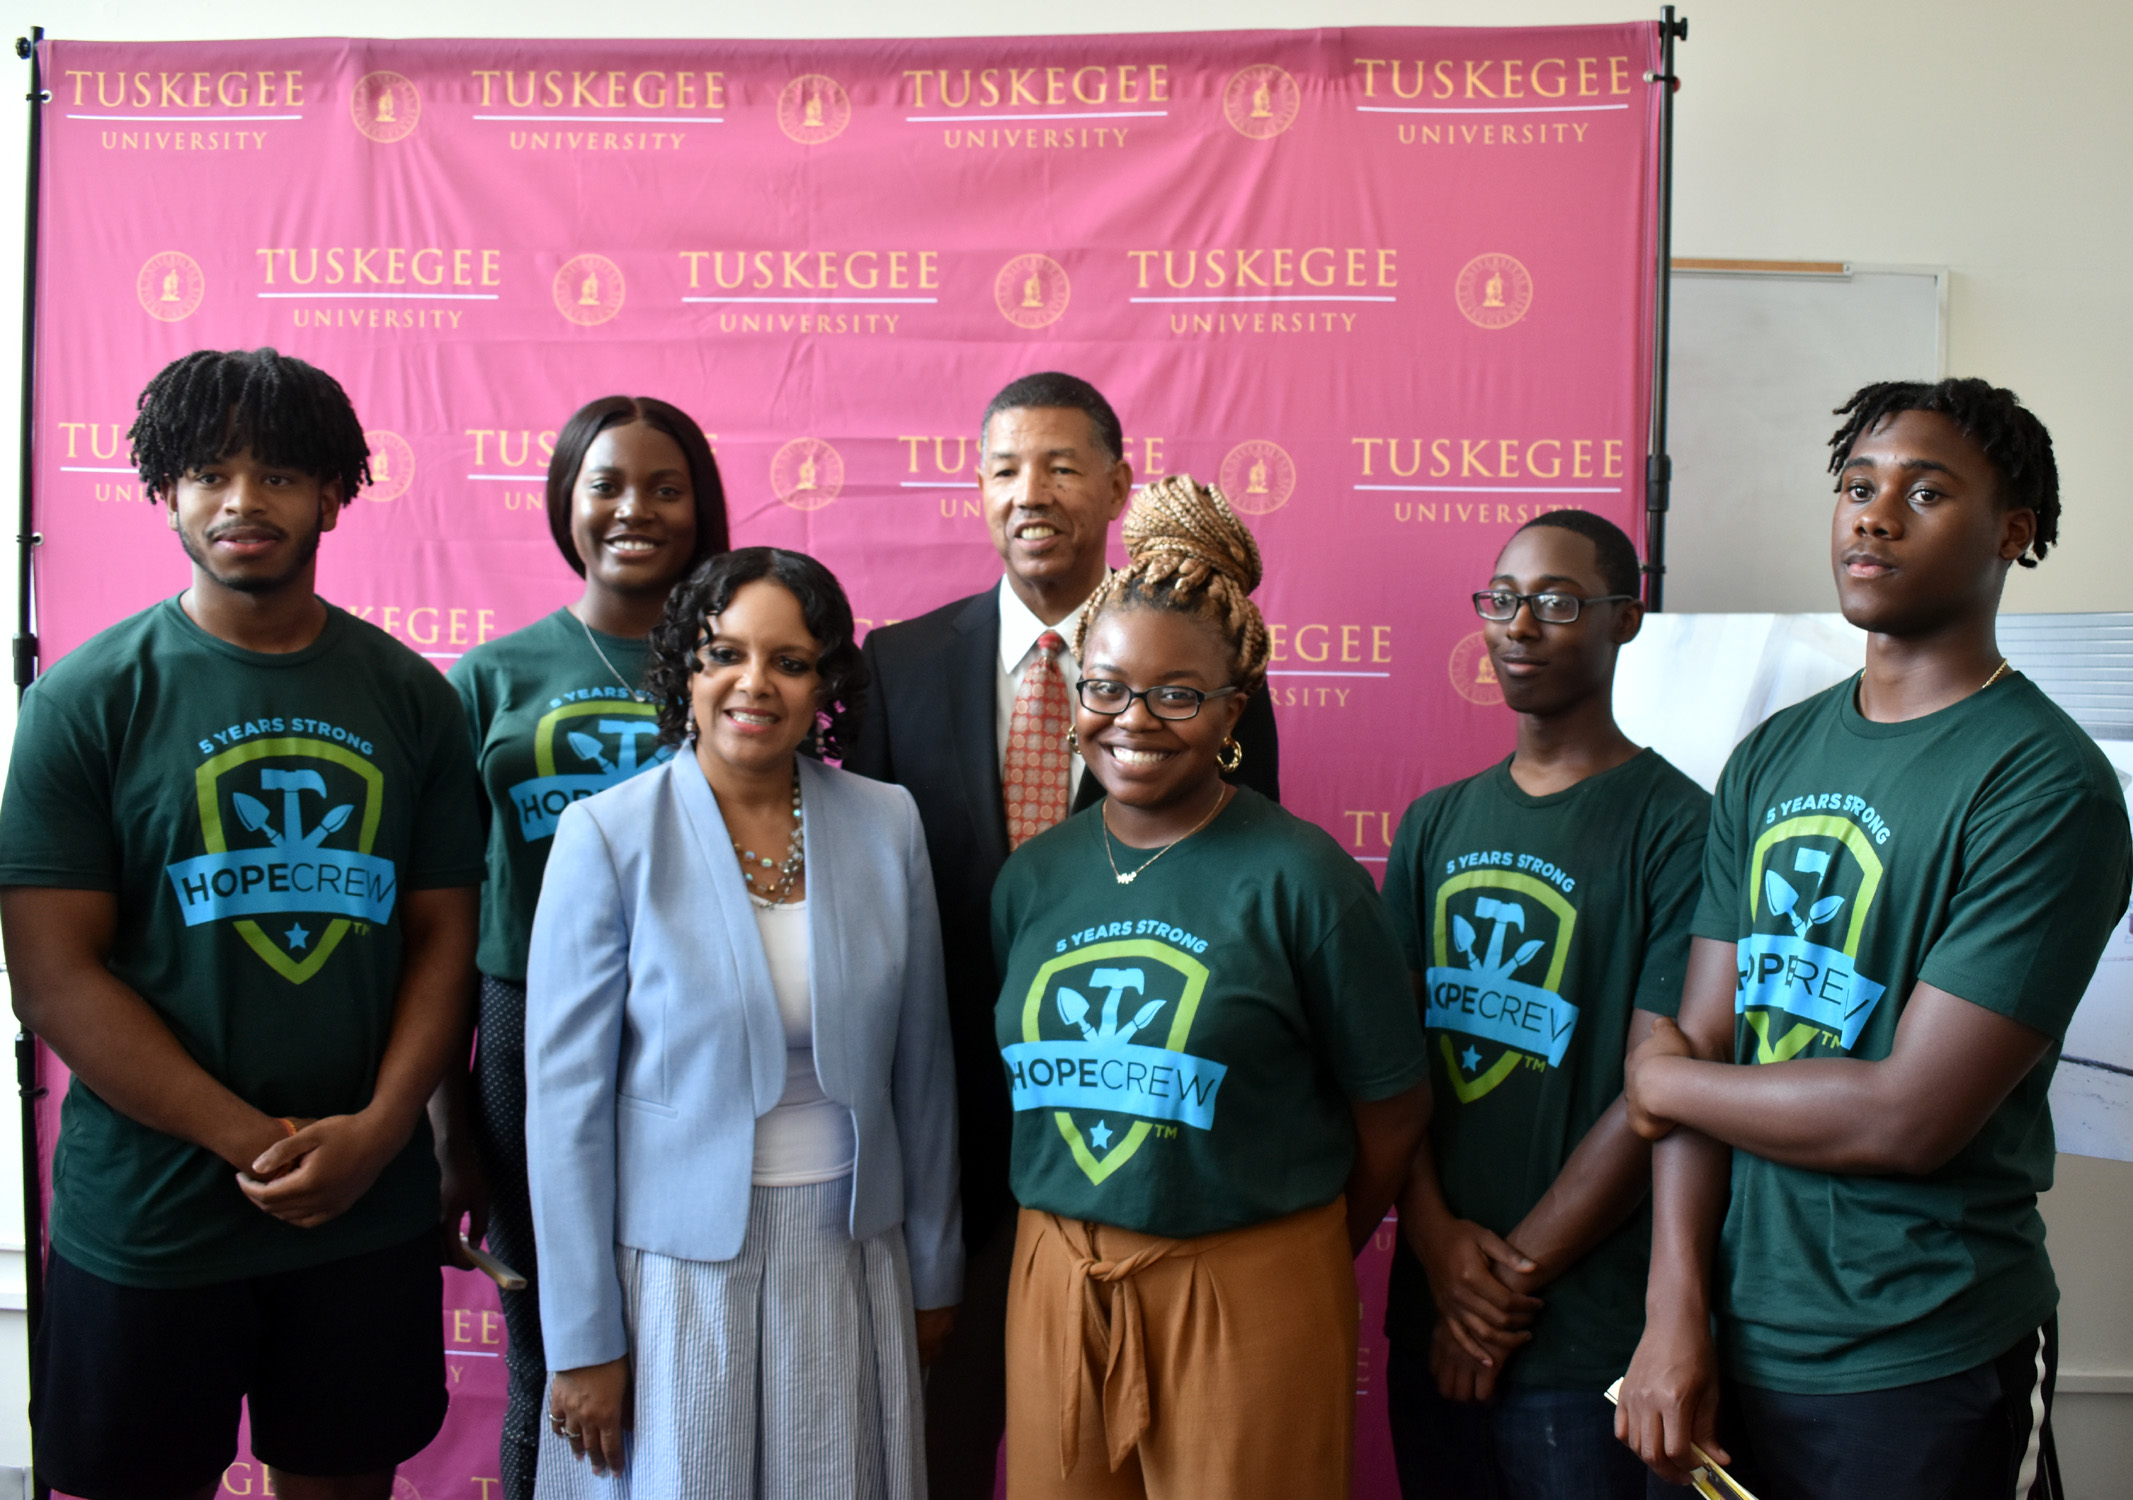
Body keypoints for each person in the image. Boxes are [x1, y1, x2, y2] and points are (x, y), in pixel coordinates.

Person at [1615, 379, 2132, 1500]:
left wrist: (1663, 1079)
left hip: (1922, 1353)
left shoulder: (2047, 787)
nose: (1874, 514)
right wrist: (1673, 1315)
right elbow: (1697, 1047)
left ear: (2015, 530)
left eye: (1926, 490)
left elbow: (1908, 1116)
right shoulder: (1770, 756)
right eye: (1857, 485)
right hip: (1727, 1335)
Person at [0, 347, 484, 1500]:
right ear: (164, 494)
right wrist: (247, 1139)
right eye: (209, 473)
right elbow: (55, 978)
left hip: (361, 1217)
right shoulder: (86, 698)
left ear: (332, 492)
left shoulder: (411, 695)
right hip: (152, 1218)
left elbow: (443, 940)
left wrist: (375, 1134)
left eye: (276, 474)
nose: (241, 503)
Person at [845, 371, 1280, 1498]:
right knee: (934, 1452)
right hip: (941, 1151)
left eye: (1060, 464)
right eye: (1002, 468)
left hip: (1133, 1156)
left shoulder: (1205, 667)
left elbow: (1231, 905)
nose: (1028, 491)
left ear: (1121, 484)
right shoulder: (894, 664)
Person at [990, 475, 1427, 1499]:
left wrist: (1287, 1248)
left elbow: (1395, 1112)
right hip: (1057, 1283)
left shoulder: (1302, 876)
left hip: (1245, 1286)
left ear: (1232, 708)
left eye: (1176, 694)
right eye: (1105, 687)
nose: (1132, 720)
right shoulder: (1032, 878)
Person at [525, 547, 962, 1497]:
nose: (753, 684)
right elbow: (564, 1115)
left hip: (852, 1256)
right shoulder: (607, 835)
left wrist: (933, 1271)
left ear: (825, 684)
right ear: (685, 665)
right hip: (674, 1277)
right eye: (723, 653)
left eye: (790, 661)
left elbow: (923, 1075)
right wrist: (584, 1337)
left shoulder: (887, 823)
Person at [1380, 510, 1709, 1500]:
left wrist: (1503, 1285)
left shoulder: (1681, 824)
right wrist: (1440, 1253)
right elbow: (1388, 1069)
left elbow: (1656, 1089)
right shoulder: (1436, 821)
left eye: (1559, 603)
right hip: (1433, 1309)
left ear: (1626, 621)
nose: (1520, 625)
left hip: (1576, 1332)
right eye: (1504, 600)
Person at [446, 394, 728, 1500]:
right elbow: (446, 915)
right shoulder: (492, 679)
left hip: (697, 1026)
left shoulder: (740, 668)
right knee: (550, 1352)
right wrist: (444, 1118)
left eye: (666, 486)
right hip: (527, 1027)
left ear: (701, 505)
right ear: (565, 496)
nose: (635, 510)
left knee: (691, 1330)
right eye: (606, 483)